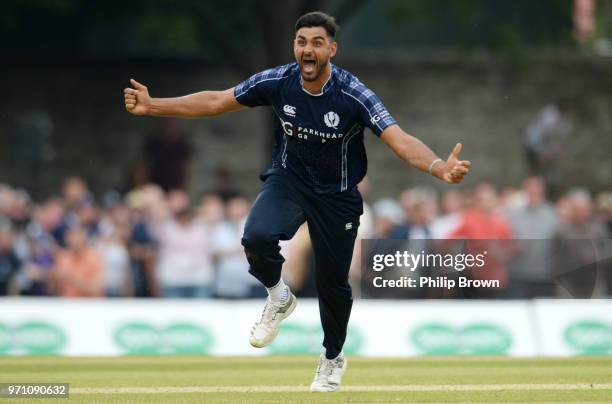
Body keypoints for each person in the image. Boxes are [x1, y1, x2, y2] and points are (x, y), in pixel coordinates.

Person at [123, 11, 470, 392]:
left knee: (333, 284)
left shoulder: (354, 94)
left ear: (332, 50)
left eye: (317, 43)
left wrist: (439, 167)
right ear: (295, 47)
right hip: (289, 181)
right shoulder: (277, 81)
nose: (308, 49)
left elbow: (399, 139)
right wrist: (153, 105)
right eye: (301, 41)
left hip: (337, 196)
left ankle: (332, 357)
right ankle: (278, 295)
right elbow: (217, 101)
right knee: (255, 237)